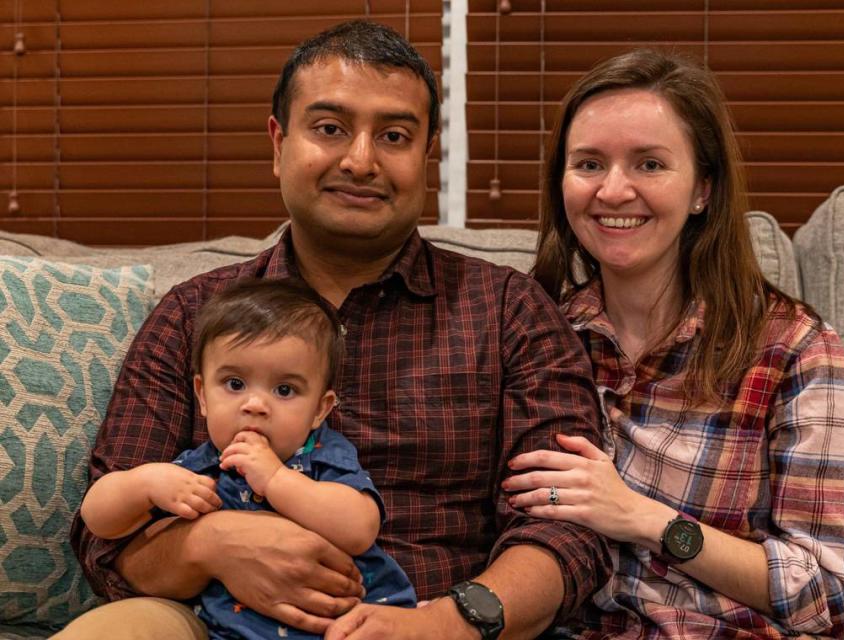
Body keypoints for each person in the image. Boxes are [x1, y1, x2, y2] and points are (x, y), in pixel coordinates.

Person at [60, 19, 610, 640]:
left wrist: (446, 623)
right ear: (278, 143)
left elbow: (568, 527)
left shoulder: (509, 310)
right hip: (214, 621)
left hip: (437, 615)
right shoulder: (195, 312)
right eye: (329, 128)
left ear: (425, 154)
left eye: (395, 135)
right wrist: (211, 544)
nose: (360, 160)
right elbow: (104, 538)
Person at [503, 49, 844, 639]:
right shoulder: (532, 333)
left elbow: (828, 591)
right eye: (589, 164)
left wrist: (643, 518)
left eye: (649, 164)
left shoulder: (792, 347)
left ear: (702, 189)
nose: (614, 190)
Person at [78, 278, 417, 639]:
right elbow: (98, 520)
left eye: (284, 390)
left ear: (320, 409)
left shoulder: (321, 456)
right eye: (235, 384)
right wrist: (143, 484)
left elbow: (358, 529)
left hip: (346, 623)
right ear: (202, 396)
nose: (255, 405)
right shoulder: (201, 468)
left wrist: (275, 479)